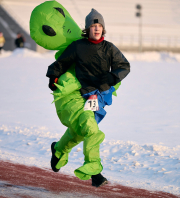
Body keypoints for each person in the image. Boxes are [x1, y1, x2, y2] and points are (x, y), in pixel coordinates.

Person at [46, 8, 130, 187]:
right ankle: (95, 172)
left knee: (79, 132)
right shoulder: (78, 46)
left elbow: (124, 65)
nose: (97, 28)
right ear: (87, 29)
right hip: (78, 95)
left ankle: (59, 150)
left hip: (97, 97)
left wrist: (113, 77)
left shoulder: (109, 48)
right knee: (91, 130)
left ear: (103, 28)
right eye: (93, 25)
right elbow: (61, 63)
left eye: (99, 25)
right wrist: (53, 76)